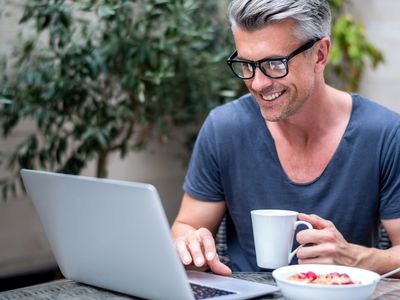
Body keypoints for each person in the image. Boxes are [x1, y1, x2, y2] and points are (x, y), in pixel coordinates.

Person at [171, 0, 400, 276]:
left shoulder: (385, 133)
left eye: (274, 64)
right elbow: (185, 226)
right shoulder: (224, 128)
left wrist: (355, 259)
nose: (258, 83)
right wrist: (188, 243)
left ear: (320, 54)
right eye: (247, 64)